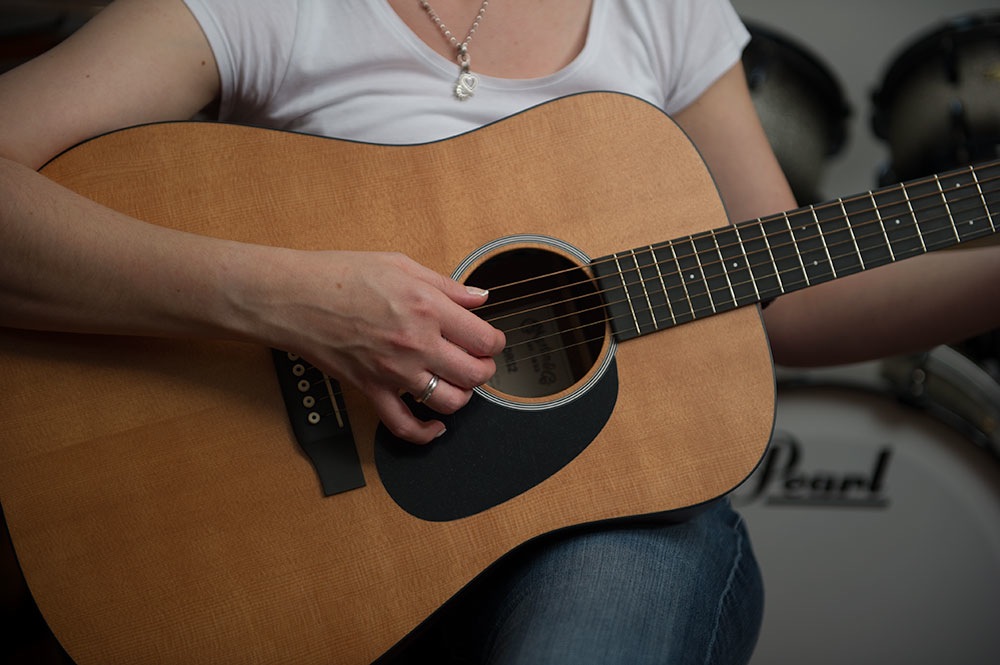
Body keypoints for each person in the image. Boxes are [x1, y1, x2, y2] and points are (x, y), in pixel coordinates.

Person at [0, 1, 997, 663]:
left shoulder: (664, 10)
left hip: (617, 521)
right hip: (311, 532)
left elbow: (791, 295)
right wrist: (293, 301)